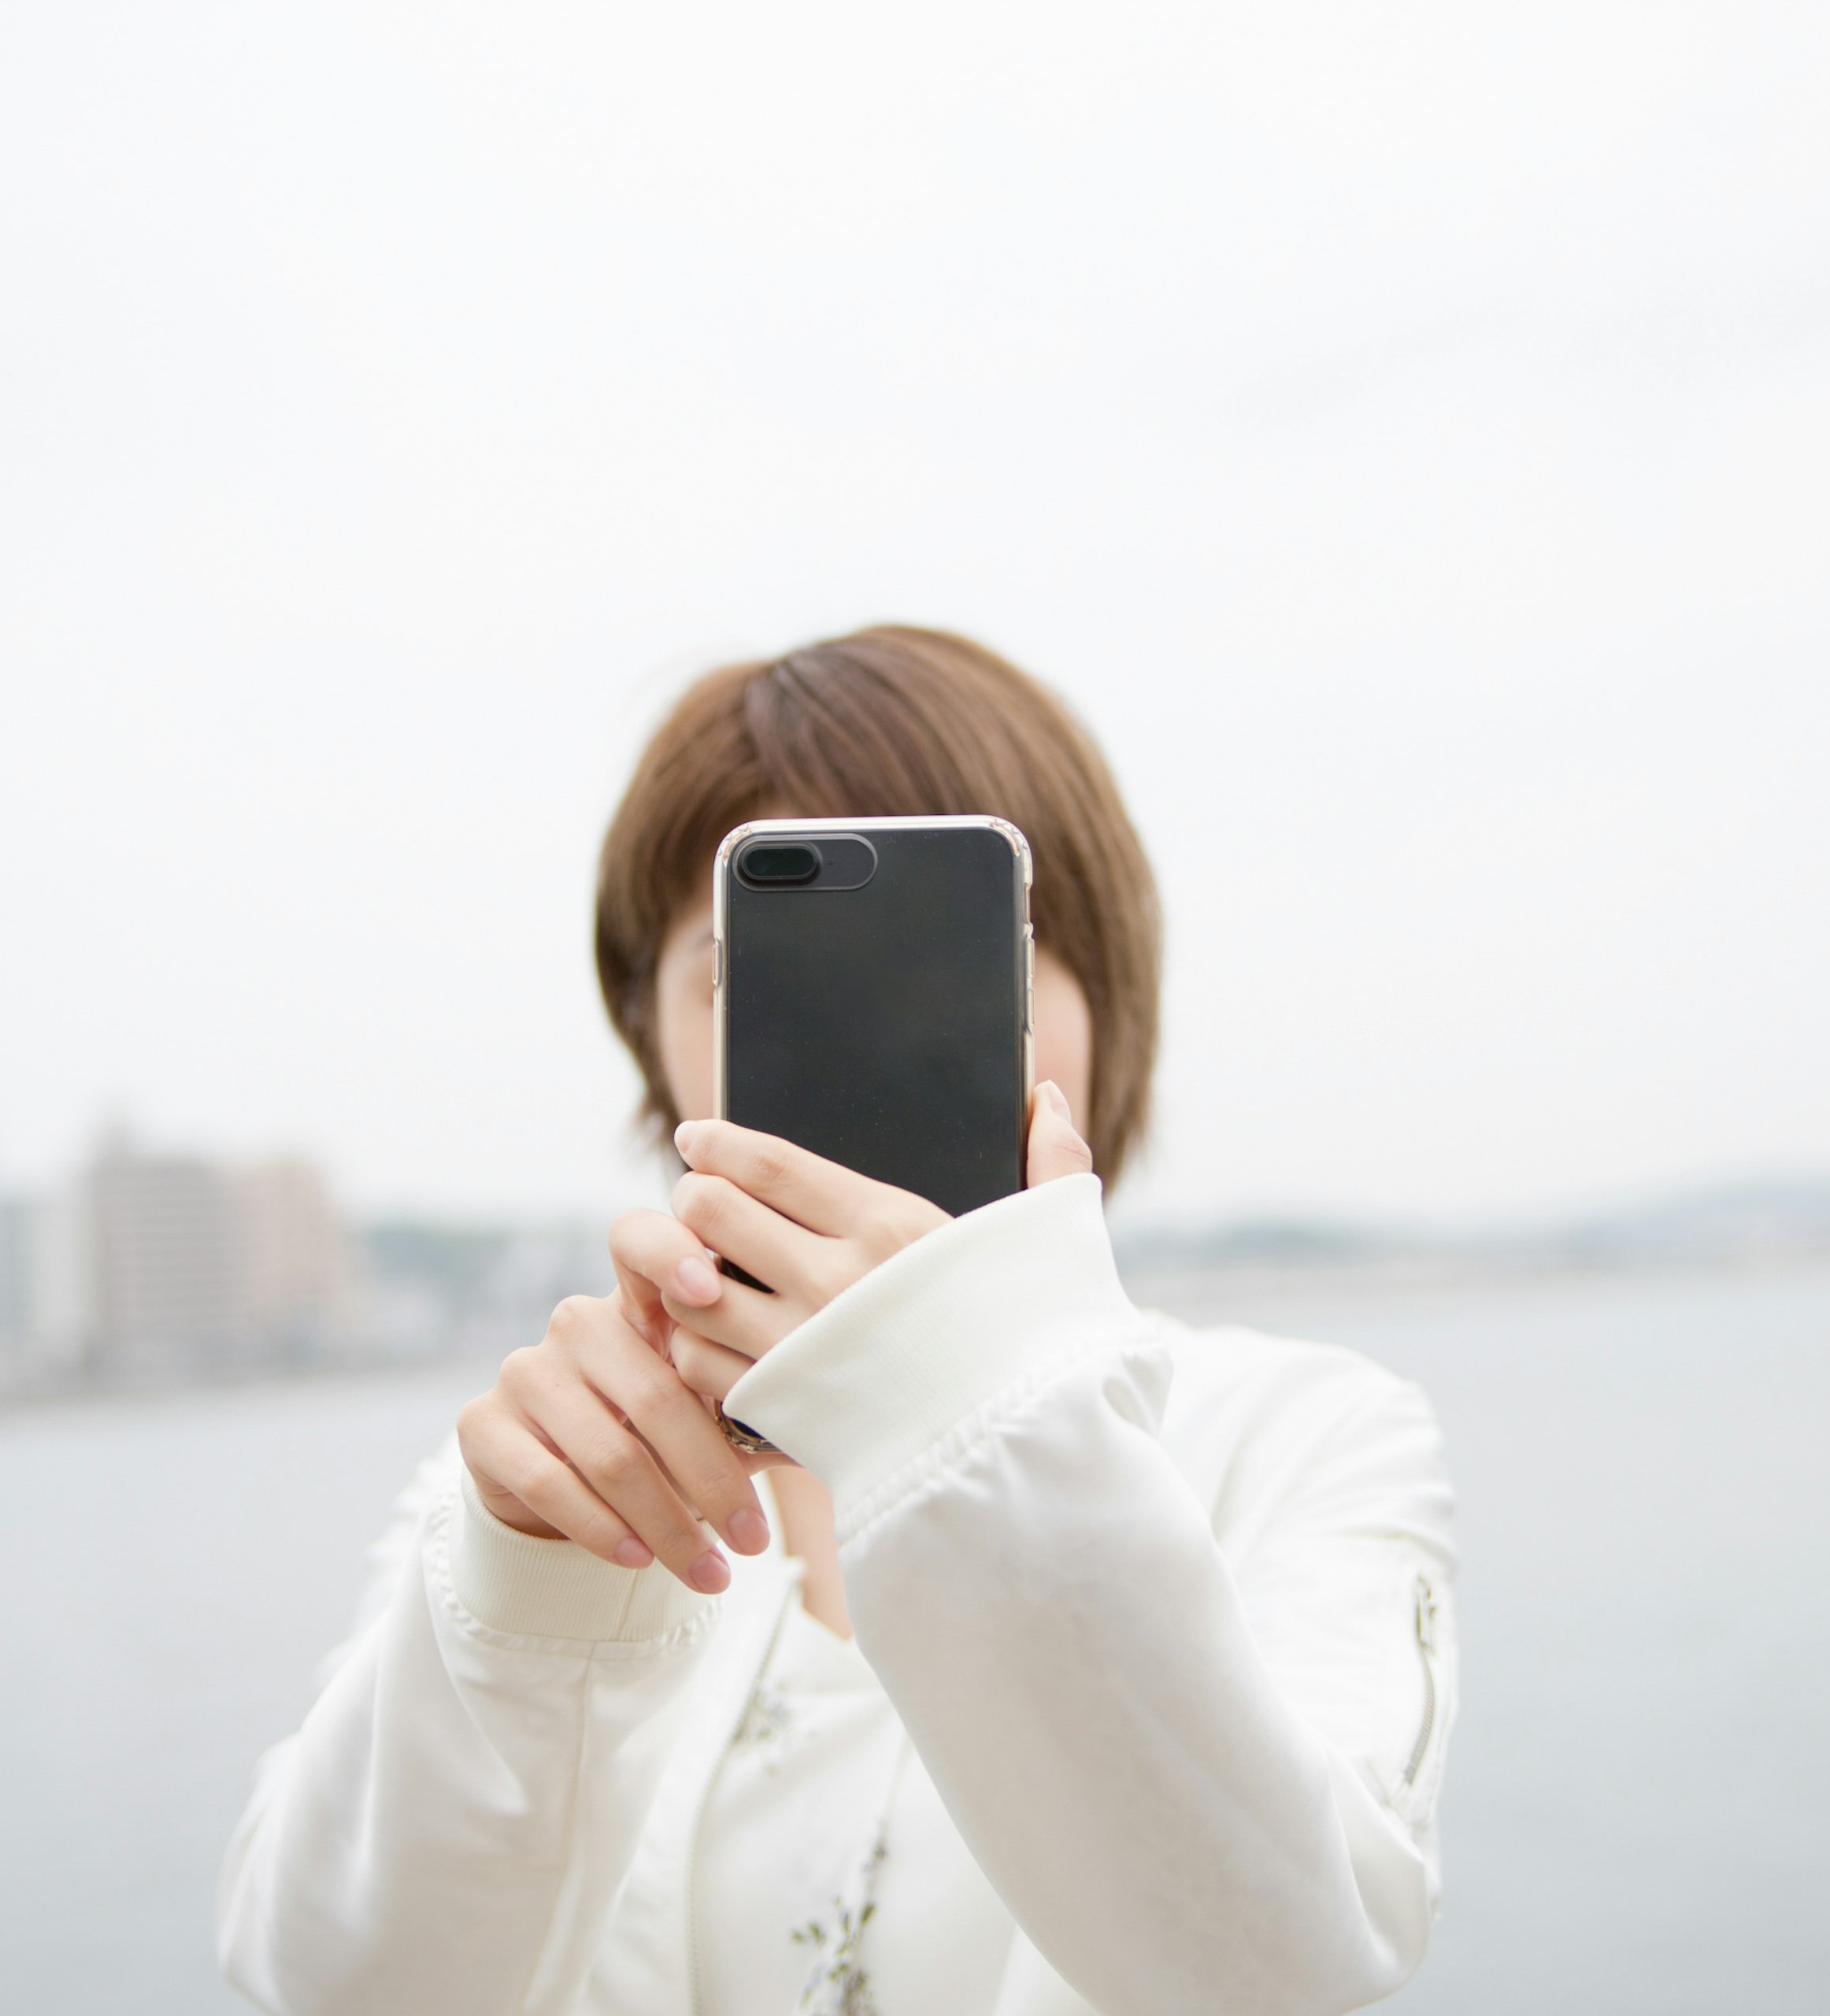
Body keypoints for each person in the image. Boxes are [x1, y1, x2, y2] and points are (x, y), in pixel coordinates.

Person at [217, 628, 1459, 2016]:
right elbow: (328, 1986)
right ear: (657, 1044)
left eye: (979, 956)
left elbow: (1281, 1966)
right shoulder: (546, 1482)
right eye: (757, 973)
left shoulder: (1299, 1438)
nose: (893, 1030)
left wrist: (968, 1402)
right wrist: (535, 1593)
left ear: (1108, 1004)